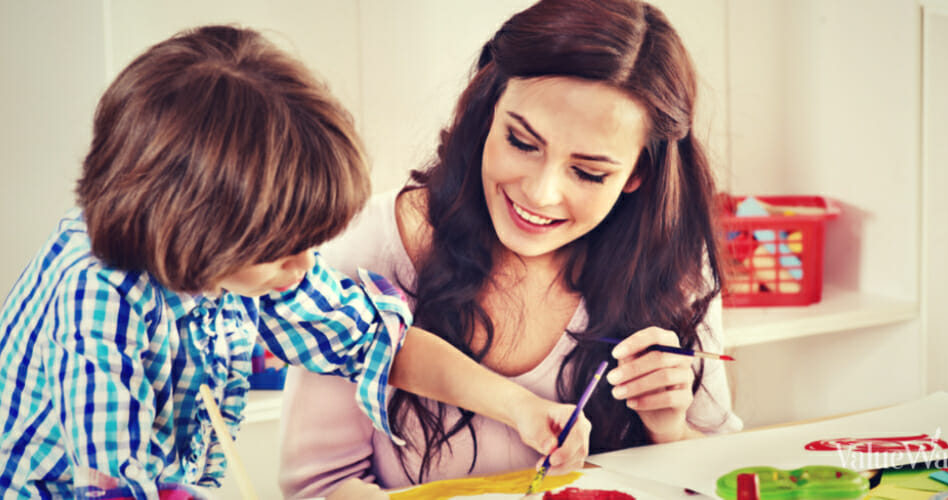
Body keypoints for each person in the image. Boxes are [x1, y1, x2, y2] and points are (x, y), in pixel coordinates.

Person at [0, 25, 590, 500]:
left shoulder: (254, 261)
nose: (308, 266)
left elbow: (377, 344)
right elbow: (114, 483)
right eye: (287, 252)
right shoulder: (96, 299)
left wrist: (521, 407)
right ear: (199, 232)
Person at [279, 0, 743, 497]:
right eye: (522, 142)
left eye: (588, 172)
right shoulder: (368, 246)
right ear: (487, 112)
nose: (540, 194)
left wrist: (670, 431)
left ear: (637, 174)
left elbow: (717, 477)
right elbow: (319, 488)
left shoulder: (674, 261)